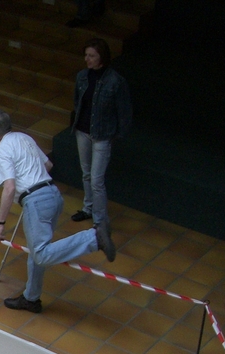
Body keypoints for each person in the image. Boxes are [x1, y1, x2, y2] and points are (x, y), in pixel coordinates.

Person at [0, 108, 116, 313]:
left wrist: (0, 223)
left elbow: (9, 188)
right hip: (52, 195)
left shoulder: (1, 151)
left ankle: (93, 238)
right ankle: (31, 298)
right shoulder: (24, 138)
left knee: (41, 254)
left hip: (36, 201)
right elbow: (48, 164)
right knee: (36, 251)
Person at [70, 38, 132, 226]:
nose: (87, 59)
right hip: (83, 131)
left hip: (102, 135)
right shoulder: (82, 76)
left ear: (101, 57)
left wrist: (118, 134)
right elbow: (77, 101)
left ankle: (100, 220)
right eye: (86, 55)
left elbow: (124, 110)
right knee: (86, 173)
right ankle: (88, 208)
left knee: (97, 180)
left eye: (92, 56)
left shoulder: (115, 81)